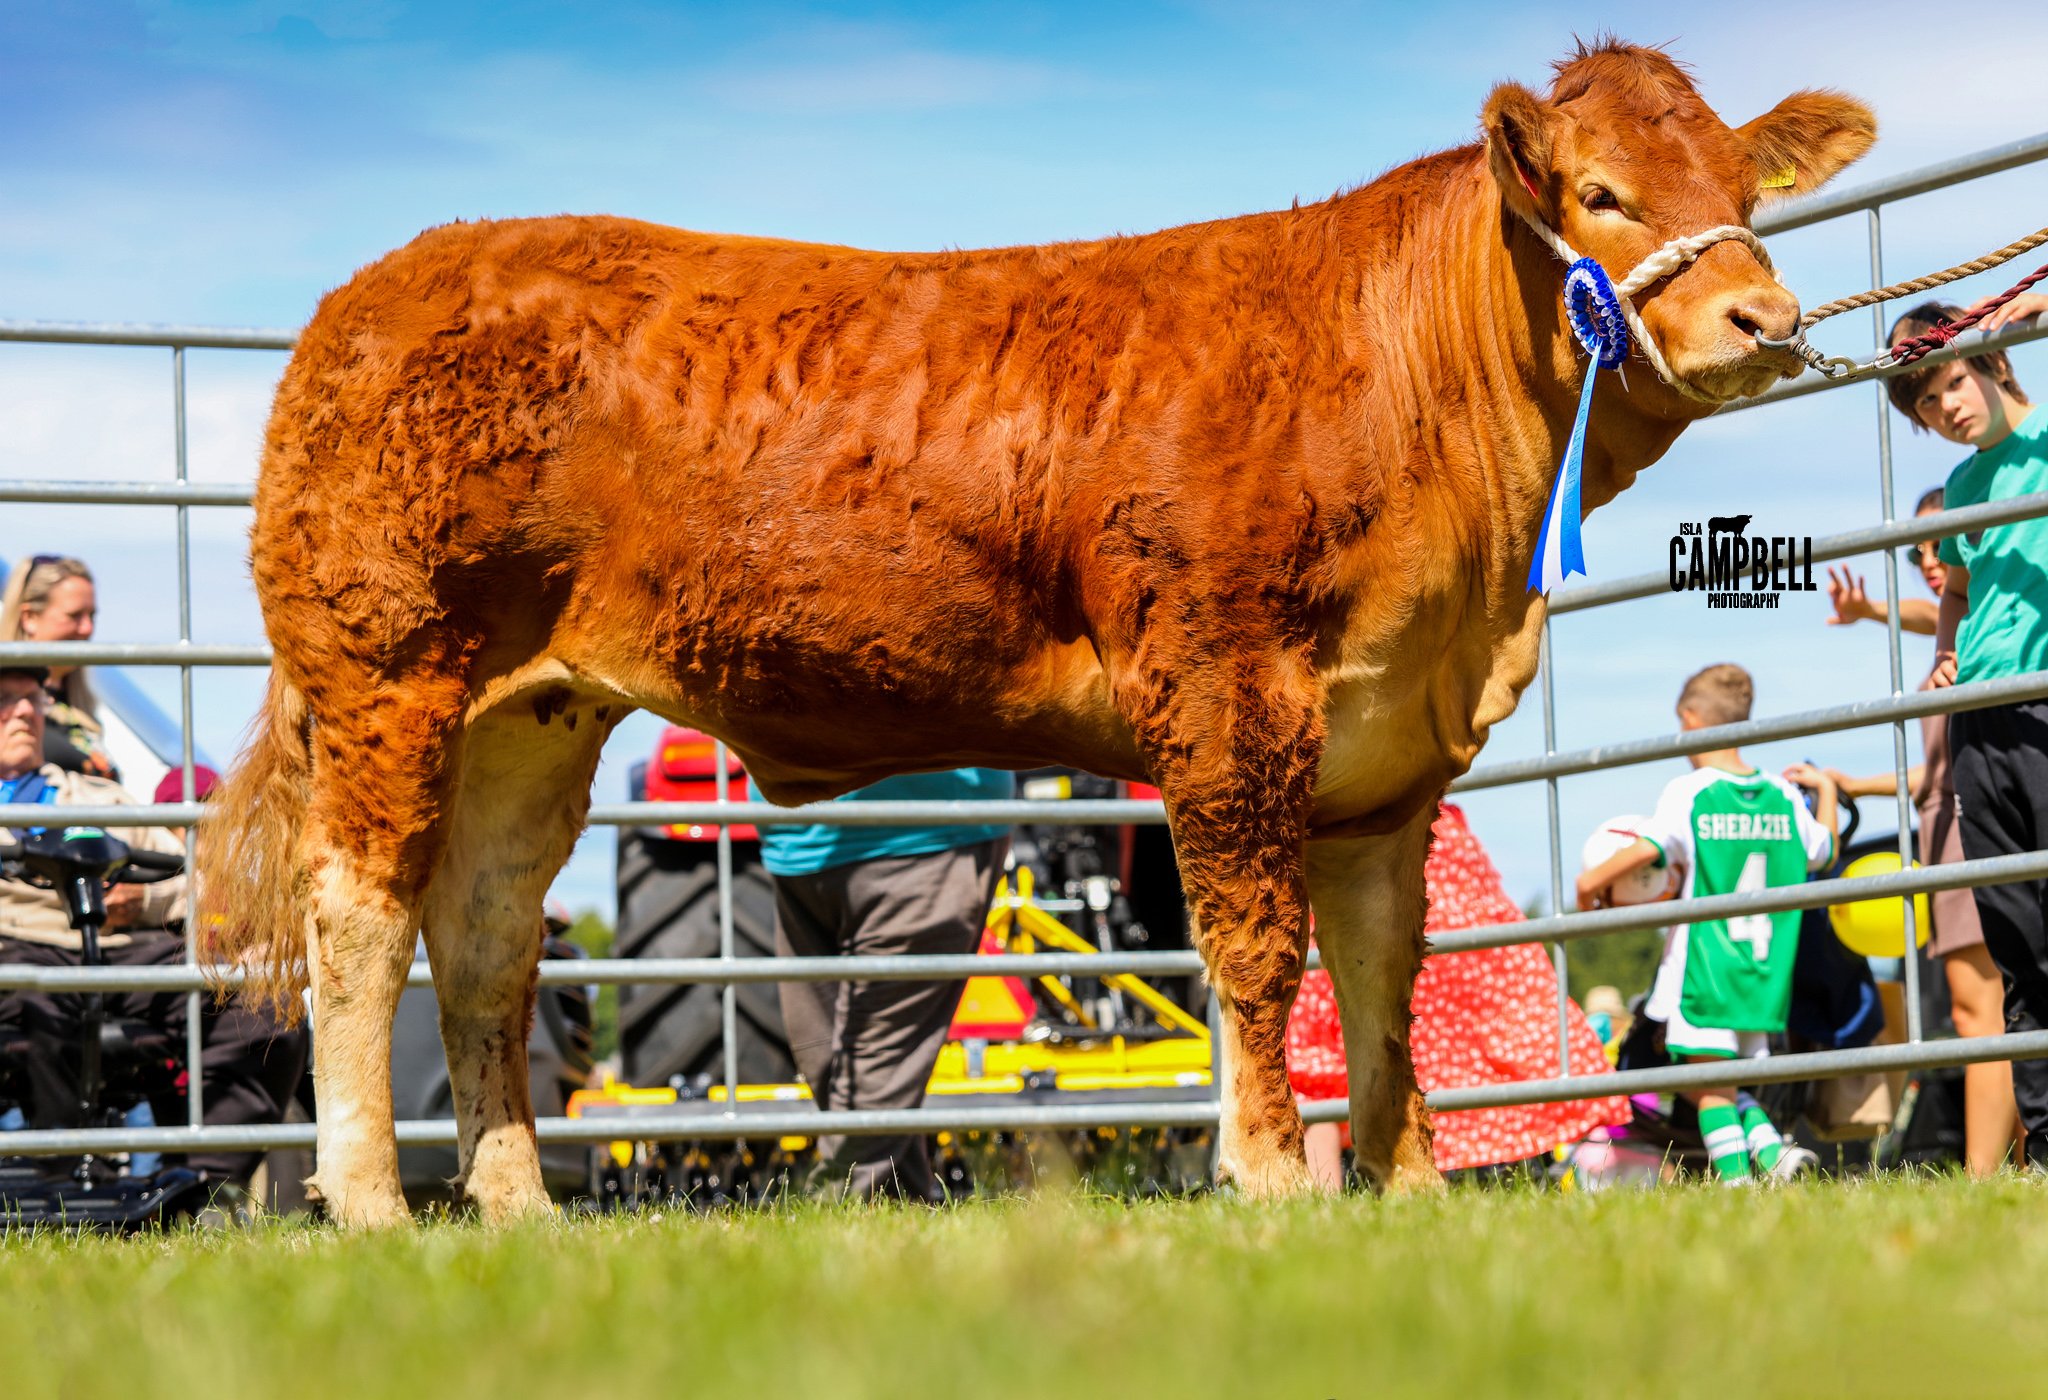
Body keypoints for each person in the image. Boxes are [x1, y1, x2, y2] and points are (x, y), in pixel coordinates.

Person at [0, 666, 303, 1186]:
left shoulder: (99, 798)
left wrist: (142, 897)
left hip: (117, 949)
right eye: (6, 699)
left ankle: (194, 1188)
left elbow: (190, 882)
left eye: (32, 698)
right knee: (40, 1007)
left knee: (261, 1004)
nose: (25, 711)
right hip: (19, 948)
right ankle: (54, 1182)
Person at [1822, 485, 2022, 1175]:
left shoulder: (1986, 631)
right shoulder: (1954, 629)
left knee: (1980, 1012)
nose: (1930, 560)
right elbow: (1931, 776)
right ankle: (2022, 1162)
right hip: (1945, 820)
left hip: (1970, 824)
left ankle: (1981, 1176)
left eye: (1943, 544)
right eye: (1917, 552)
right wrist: (1859, 784)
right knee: (2005, 1003)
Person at [1577, 663, 1836, 1183]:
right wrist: (1826, 789)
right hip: (1763, 972)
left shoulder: (1691, 791)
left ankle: (1739, 1185)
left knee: (1709, 1088)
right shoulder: (1783, 796)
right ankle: (1776, 1158)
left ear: (1692, 720)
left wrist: (1591, 884)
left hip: (1704, 967)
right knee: (1723, 1082)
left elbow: (1650, 846)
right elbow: (1823, 852)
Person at [1286, 803, 1630, 1186]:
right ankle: (1467, 1178)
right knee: (1468, 1048)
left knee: (1317, 1062)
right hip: (1404, 854)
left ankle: (1325, 1200)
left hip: (1353, 845)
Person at [1905, 290, 2048, 1169]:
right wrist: (1950, 651)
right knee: (2014, 933)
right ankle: (2046, 1139)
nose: (1945, 408)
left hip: (2043, 704)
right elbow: (1955, 587)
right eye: (1926, 401)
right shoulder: (1960, 486)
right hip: (1979, 723)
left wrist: (2020, 309)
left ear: (1993, 363)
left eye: (1952, 381)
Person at [756, 767, 1013, 1201]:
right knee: (829, 1064)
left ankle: (832, 1215)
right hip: (794, 846)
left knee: (874, 1077)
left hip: (925, 835)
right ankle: (905, 1210)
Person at [0, 554, 115, 778]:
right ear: (29, 617)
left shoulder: (80, 708)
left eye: (91, 616)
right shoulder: (16, 715)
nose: (87, 628)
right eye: (74, 616)